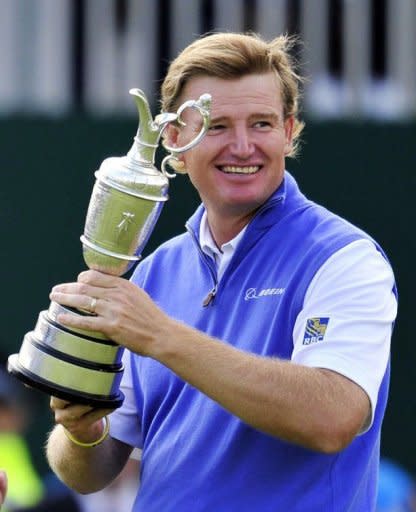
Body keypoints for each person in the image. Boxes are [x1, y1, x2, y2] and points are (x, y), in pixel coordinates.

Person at [45, 32, 397, 511]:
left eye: (262, 124)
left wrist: (160, 335)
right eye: (215, 126)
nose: (243, 146)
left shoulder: (344, 257)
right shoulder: (154, 273)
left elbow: (333, 417)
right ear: (175, 139)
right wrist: (81, 430)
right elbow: (90, 474)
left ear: (289, 131)